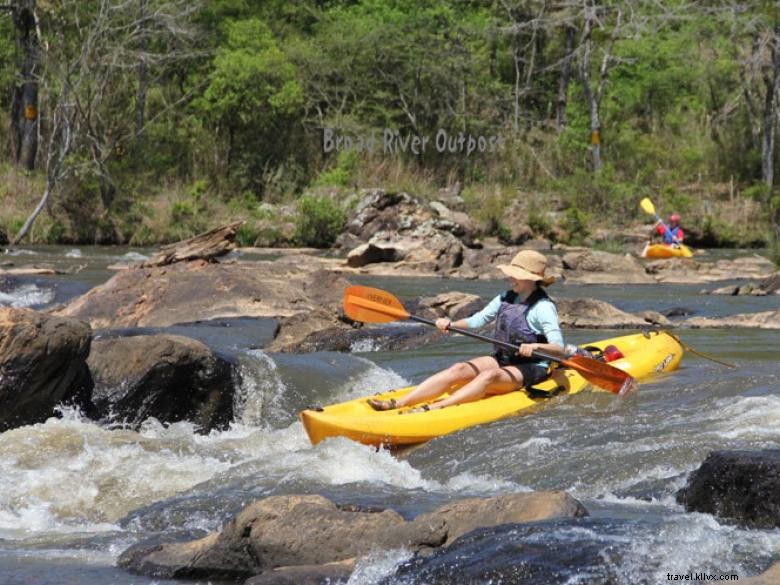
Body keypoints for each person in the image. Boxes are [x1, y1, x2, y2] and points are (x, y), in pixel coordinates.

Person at [367, 250, 565, 413]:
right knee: (458, 369)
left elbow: (559, 348)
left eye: (516, 275)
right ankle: (399, 403)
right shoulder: (506, 297)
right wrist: (451, 324)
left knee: (488, 377)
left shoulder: (543, 307)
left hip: (532, 366)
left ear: (531, 279)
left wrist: (535, 346)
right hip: (504, 358)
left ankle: (437, 407)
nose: (510, 278)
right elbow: (477, 320)